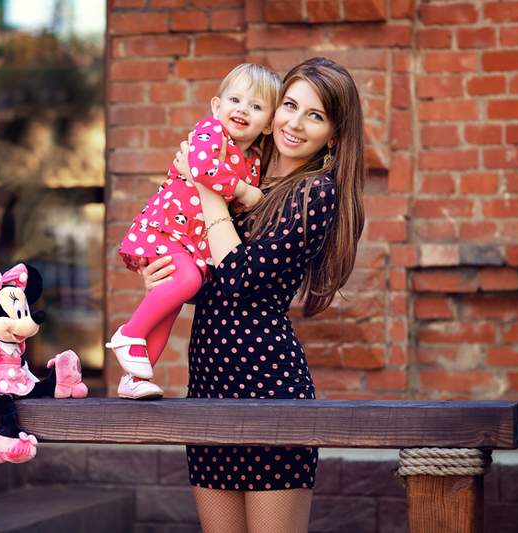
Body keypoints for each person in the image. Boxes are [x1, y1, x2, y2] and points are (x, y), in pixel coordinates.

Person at [139, 57, 367, 533]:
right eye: (290, 106)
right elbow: (212, 283)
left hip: (270, 388)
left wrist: (205, 186)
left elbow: (240, 277)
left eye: (316, 115)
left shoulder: (315, 193)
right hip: (208, 384)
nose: (295, 123)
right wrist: (162, 278)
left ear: (334, 135)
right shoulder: (246, 176)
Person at [108, 63, 283, 400]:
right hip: (168, 227)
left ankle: (134, 378)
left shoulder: (254, 161)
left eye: (256, 106)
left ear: (267, 125)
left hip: (192, 241)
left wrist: (242, 197)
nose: (242, 109)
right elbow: (200, 167)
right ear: (217, 106)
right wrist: (245, 191)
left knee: (169, 310)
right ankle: (129, 334)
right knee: (187, 281)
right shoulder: (211, 131)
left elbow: (230, 206)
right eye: (235, 100)